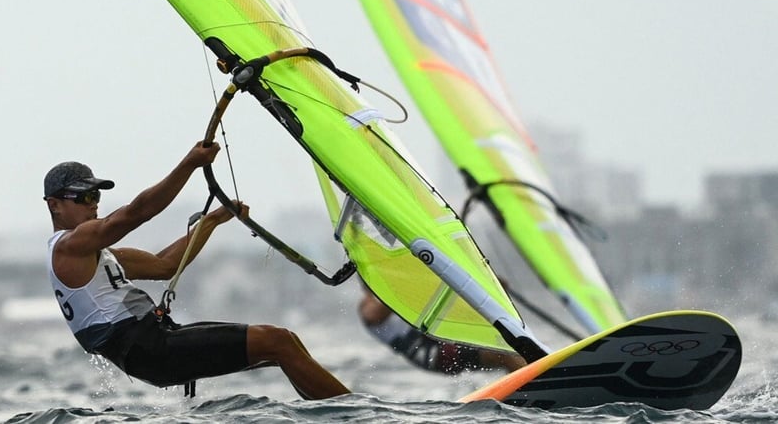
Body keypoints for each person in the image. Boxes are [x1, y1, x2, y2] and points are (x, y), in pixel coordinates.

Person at [43, 142, 350, 400]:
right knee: (277, 342)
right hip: (148, 350)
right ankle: (354, 415)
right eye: (83, 197)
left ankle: (335, 413)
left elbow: (166, 266)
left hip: (155, 342)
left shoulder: (93, 254)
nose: (93, 204)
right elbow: (136, 213)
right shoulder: (68, 247)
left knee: (285, 344)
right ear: (55, 205)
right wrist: (189, 164)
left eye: (95, 196)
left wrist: (211, 222)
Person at [359, 289, 527, 374]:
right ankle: (536, 381)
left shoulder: (400, 293)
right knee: (501, 355)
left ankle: (526, 382)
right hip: (431, 354)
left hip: (443, 341)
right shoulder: (368, 306)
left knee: (508, 346)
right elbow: (374, 315)